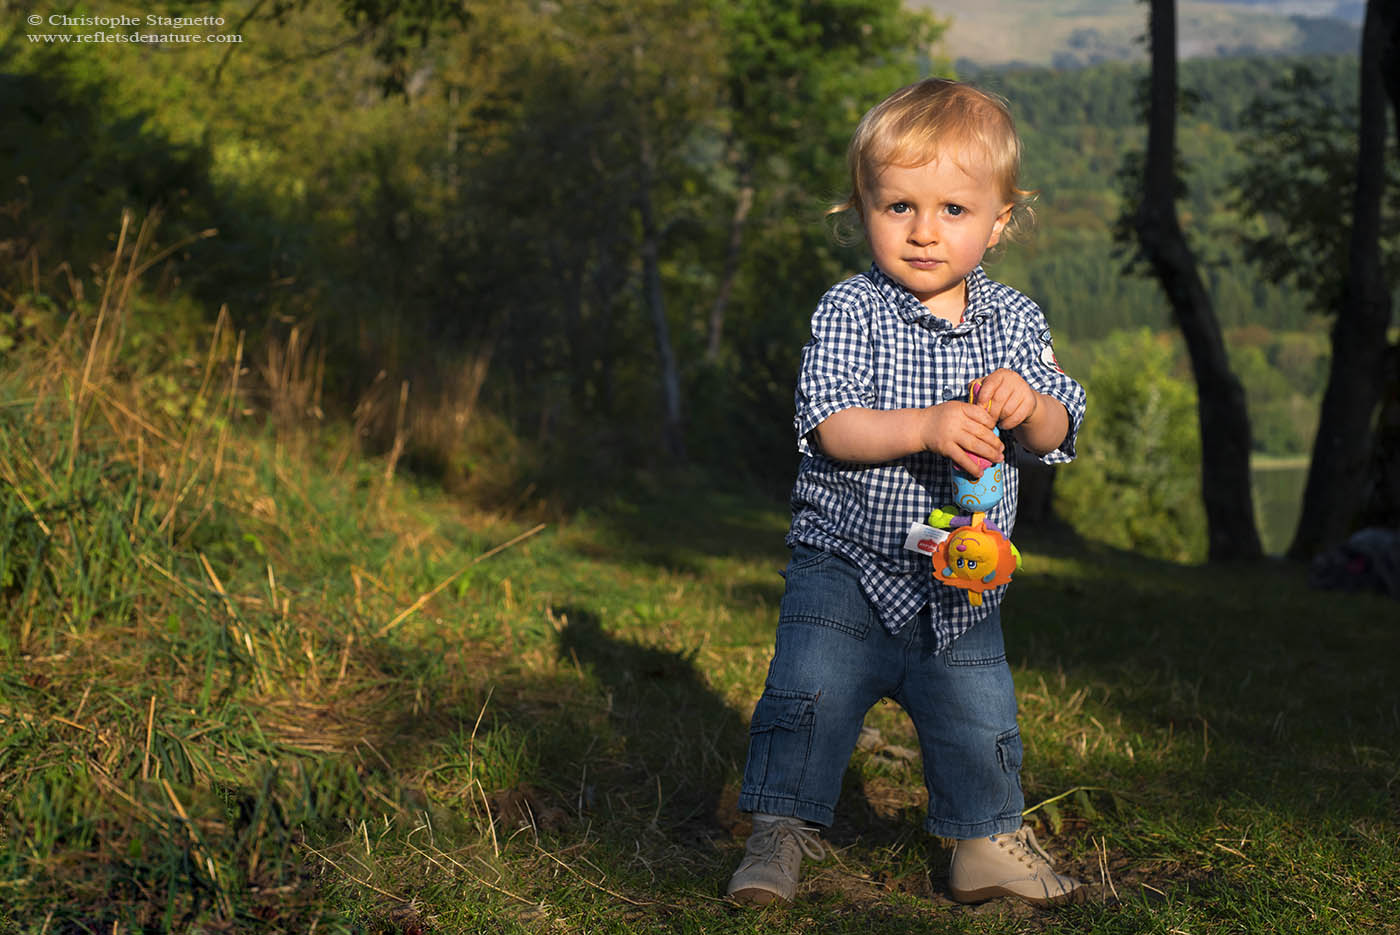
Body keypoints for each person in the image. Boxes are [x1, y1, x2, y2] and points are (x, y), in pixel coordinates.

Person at [725, 78, 1089, 908]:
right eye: (899, 206)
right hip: (845, 562)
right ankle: (780, 831)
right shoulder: (851, 309)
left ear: (999, 221)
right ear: (862, 209)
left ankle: (985, 838)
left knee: (978, 714)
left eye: (954, 210)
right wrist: (925, 426)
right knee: (807, 695)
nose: (925, 231)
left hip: (963, 576)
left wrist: (1029, 405)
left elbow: (1058, 429)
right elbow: (832, 425)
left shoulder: (1015, 324)